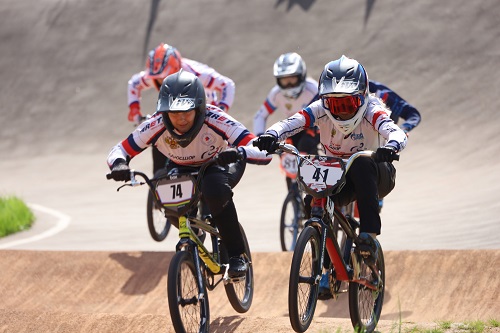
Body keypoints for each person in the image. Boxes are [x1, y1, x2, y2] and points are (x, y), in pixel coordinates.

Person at [254, 55, 407, 297]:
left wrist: (392, 146)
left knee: (361, 163)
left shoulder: (372, 109)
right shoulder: (319, 109)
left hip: (378, 173)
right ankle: (326, 264)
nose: (342, 111)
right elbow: (293, 122)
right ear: (325, 101)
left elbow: (393, 130)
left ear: (362, 96)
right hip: (338, 173)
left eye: (347, 104)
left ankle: (368, 233)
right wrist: (271, 134)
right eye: (336, 105)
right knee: (312, 201)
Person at [109, 70, 271, 278]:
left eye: (187, 112)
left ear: (200, 107)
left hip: (220, 161)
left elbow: (260, 150)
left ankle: (236, 255)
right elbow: (120, 149)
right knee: (168, 199)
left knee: (214, 188)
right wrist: (119, 164)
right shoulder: (156, 124)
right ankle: (196, 234)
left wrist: (239, 152)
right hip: (182, 167)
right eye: (174, 113)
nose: (181, 119)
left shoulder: (216, 118)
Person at [127, 42, 236, 174]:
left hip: (205, 117)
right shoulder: (156, 75)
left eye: (164, 77)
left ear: (176, 68)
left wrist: (220, 111)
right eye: (158, 79)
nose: (161, 81)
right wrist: (135, 110)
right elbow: (134, 83)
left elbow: (227, 85)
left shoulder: (197, 73)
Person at [253, 52, 320, 189]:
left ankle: (317, 188)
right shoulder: (276, 93)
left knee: (306, 145)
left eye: (292, 79)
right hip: (292, 129)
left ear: (301, 76)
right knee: (285, 154)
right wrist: (261, 138)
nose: (289, 85)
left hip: (313, 128)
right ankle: (294, 198)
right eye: (284, 80)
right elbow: (260, 116)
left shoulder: (313, 89)